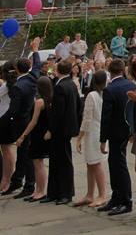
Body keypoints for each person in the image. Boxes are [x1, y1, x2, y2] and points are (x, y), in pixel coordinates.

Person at [1, 37, 41, 198]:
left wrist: (6, 121)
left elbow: (13, 111)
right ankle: (18, 180)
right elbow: (37, 65)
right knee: (25, 154)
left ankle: (28, 185)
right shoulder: (33, 78)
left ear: (17, 69)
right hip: (29, 119)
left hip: (20, 122)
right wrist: (36, 50)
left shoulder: (18, 86)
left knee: (25, 154)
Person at [98, 58, 136, 215]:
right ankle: (116, 197)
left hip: (115, 132)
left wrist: (102, 139)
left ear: (109, 70)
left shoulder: (110, 89)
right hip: (127, 129)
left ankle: (125, 200)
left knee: (119, 166)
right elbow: (134, 110)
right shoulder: (131, 85)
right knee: (115, 164)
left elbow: (106, 117)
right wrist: (133, 129)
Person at [47, 60, 80, 204]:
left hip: (61, 130)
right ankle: (55, 192)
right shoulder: (70, 83)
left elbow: (58, 112)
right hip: (67, 128)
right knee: (56, 160)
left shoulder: (61, 87)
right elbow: (79, 105)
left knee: (63, 161)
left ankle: (65, 193)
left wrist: (51, 130)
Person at [74, 69, 108, 207]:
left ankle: (102, 194)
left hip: (93, 132)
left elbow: (86, 119)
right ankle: (90, 194)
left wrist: (79, 137)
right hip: (99, 130)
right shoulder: (103, 94)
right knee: (91, 164)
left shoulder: (92, 95)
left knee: (95, 163)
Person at [20, 75, 52, 202]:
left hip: (38, 134)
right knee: (39, 163)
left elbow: (33, 122)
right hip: (44, 132)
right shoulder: (50, 99)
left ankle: (40, 191)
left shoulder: (39, 102)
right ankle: (39, 190)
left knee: (38, 164)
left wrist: (23, 135)